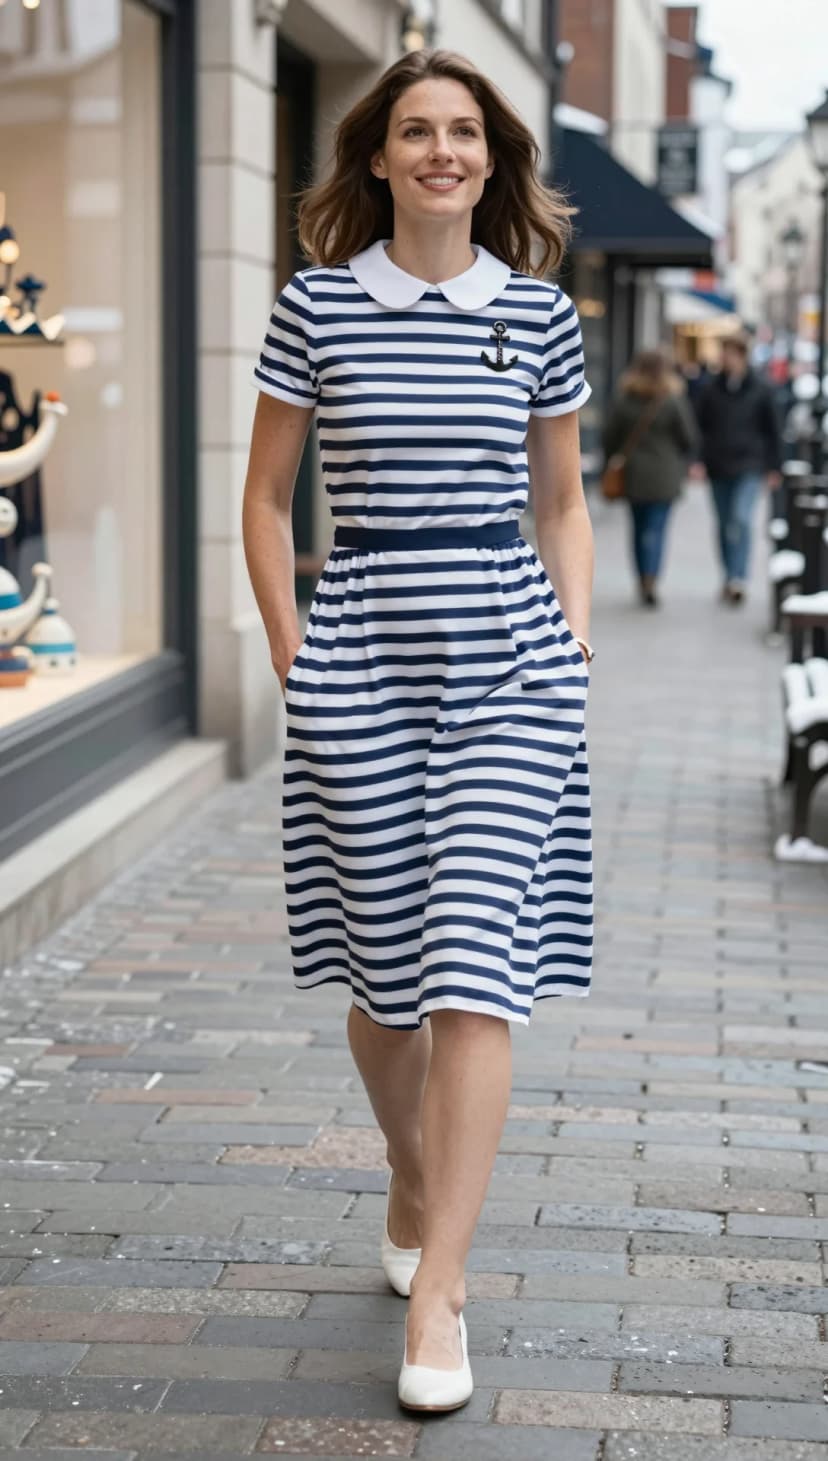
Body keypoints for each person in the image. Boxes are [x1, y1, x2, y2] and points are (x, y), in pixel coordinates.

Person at [242, 48, 594, 1414]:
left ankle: (440, 1291)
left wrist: (571, 645)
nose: (442, 150)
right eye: (415, 131)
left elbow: (560, 502)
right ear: (377, 159)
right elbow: (269, 502)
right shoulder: (319, 306)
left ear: (493, 160)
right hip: (363, 656)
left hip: (510, 661)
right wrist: (296, 662)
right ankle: (411, 1166)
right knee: (385, 981)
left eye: (464, 131)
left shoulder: (542, 318)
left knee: (470, 968)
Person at [602, 349, 699, 607]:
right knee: (657, 529)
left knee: (638, 529)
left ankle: (641, 577)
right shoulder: (672, 399)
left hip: (634, 475)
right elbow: (688, 437)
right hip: (664, 476)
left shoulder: (626, 398)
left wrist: (610, 462)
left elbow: (609, 437)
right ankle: (652, 578)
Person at [694, 335, 783, 603]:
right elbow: (700, 427)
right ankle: (728, 573)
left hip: (749, 464)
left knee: (741, 520)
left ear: (742, 355)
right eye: (724, 353)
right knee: (723, 524)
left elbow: (774, 430)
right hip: (718, 465)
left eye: (730, 353)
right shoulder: (711, 389)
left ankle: (739, 578)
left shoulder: (762, 389)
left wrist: (774, 467)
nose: (726, 359)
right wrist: (697, 460)